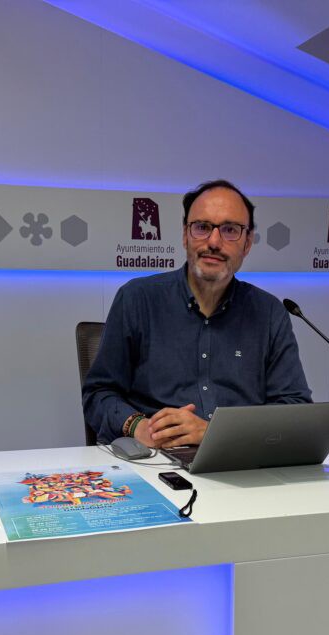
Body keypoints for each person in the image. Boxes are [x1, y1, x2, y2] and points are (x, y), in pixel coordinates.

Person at [82, 179, 311, 448]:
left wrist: (215, 432)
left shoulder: (270, 313)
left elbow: (295, 408)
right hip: (156, 457)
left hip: (240, 457)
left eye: (230, 230)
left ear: (247, 243)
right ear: (185, 235)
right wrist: (138, 426)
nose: (213, 242)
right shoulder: (137, 299)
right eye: (202, 227)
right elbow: (98, 394)